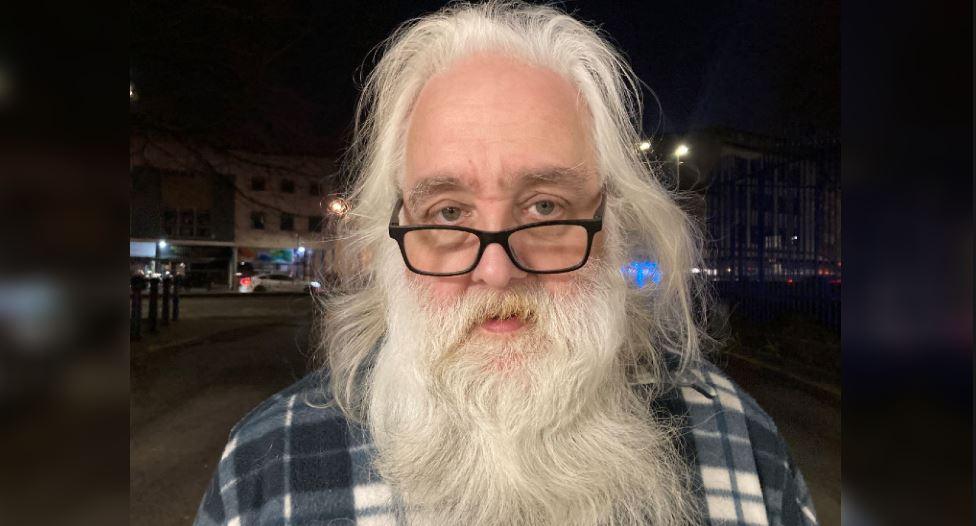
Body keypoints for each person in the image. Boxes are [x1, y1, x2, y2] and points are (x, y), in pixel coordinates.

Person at [194, 2, 817, 525]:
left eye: (545, 207)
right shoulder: (266, 470)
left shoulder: (743, 449)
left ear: (616, 226)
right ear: (392, 236)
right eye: (447, 214)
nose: (496, 271)